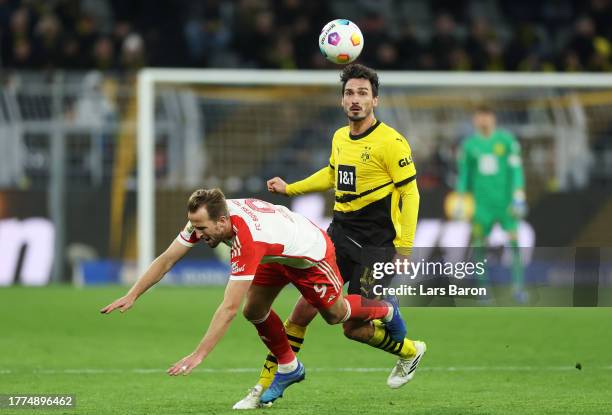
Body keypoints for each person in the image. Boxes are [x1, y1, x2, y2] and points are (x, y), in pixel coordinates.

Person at [101, 189, 412, 406]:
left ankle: (384, 307)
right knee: (255, 309)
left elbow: (227, 308)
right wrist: (133, 294)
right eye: (195, 226)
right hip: (276, 253)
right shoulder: (211, 218)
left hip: (310, 254)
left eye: (202, 228)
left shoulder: (247, 239)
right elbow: (168, 259)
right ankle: (290, 368)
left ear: (222, 222)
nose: (198, 234)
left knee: (337, 315)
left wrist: (199, 355)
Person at [234, 63, 425, 409]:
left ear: (375, 101)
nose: (355, 100)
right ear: (342, 101)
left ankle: (409, 349)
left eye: (363, 94)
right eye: (350, 93)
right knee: (303, 311)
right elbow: (333, 174)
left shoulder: (392, 142)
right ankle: (266, 385)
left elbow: (411, 195)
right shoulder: (339, 137)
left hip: (376, 247)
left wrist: (405, 247)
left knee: (352, 329)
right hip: (337, 235)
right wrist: (291, 188)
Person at [455, 104, 527, 301]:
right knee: (479, 244)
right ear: (475, 120)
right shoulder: (469, 146)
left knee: (514, 240)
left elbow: (516, 170)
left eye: (487, 116)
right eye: (480, 117)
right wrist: (460, 198)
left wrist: (519, 194)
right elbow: (464, 175)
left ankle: (518, 287)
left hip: (506, 203)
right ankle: (483, 289)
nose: (484, 120)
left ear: (493, 118)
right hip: (481, 205)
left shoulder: (506, 141)